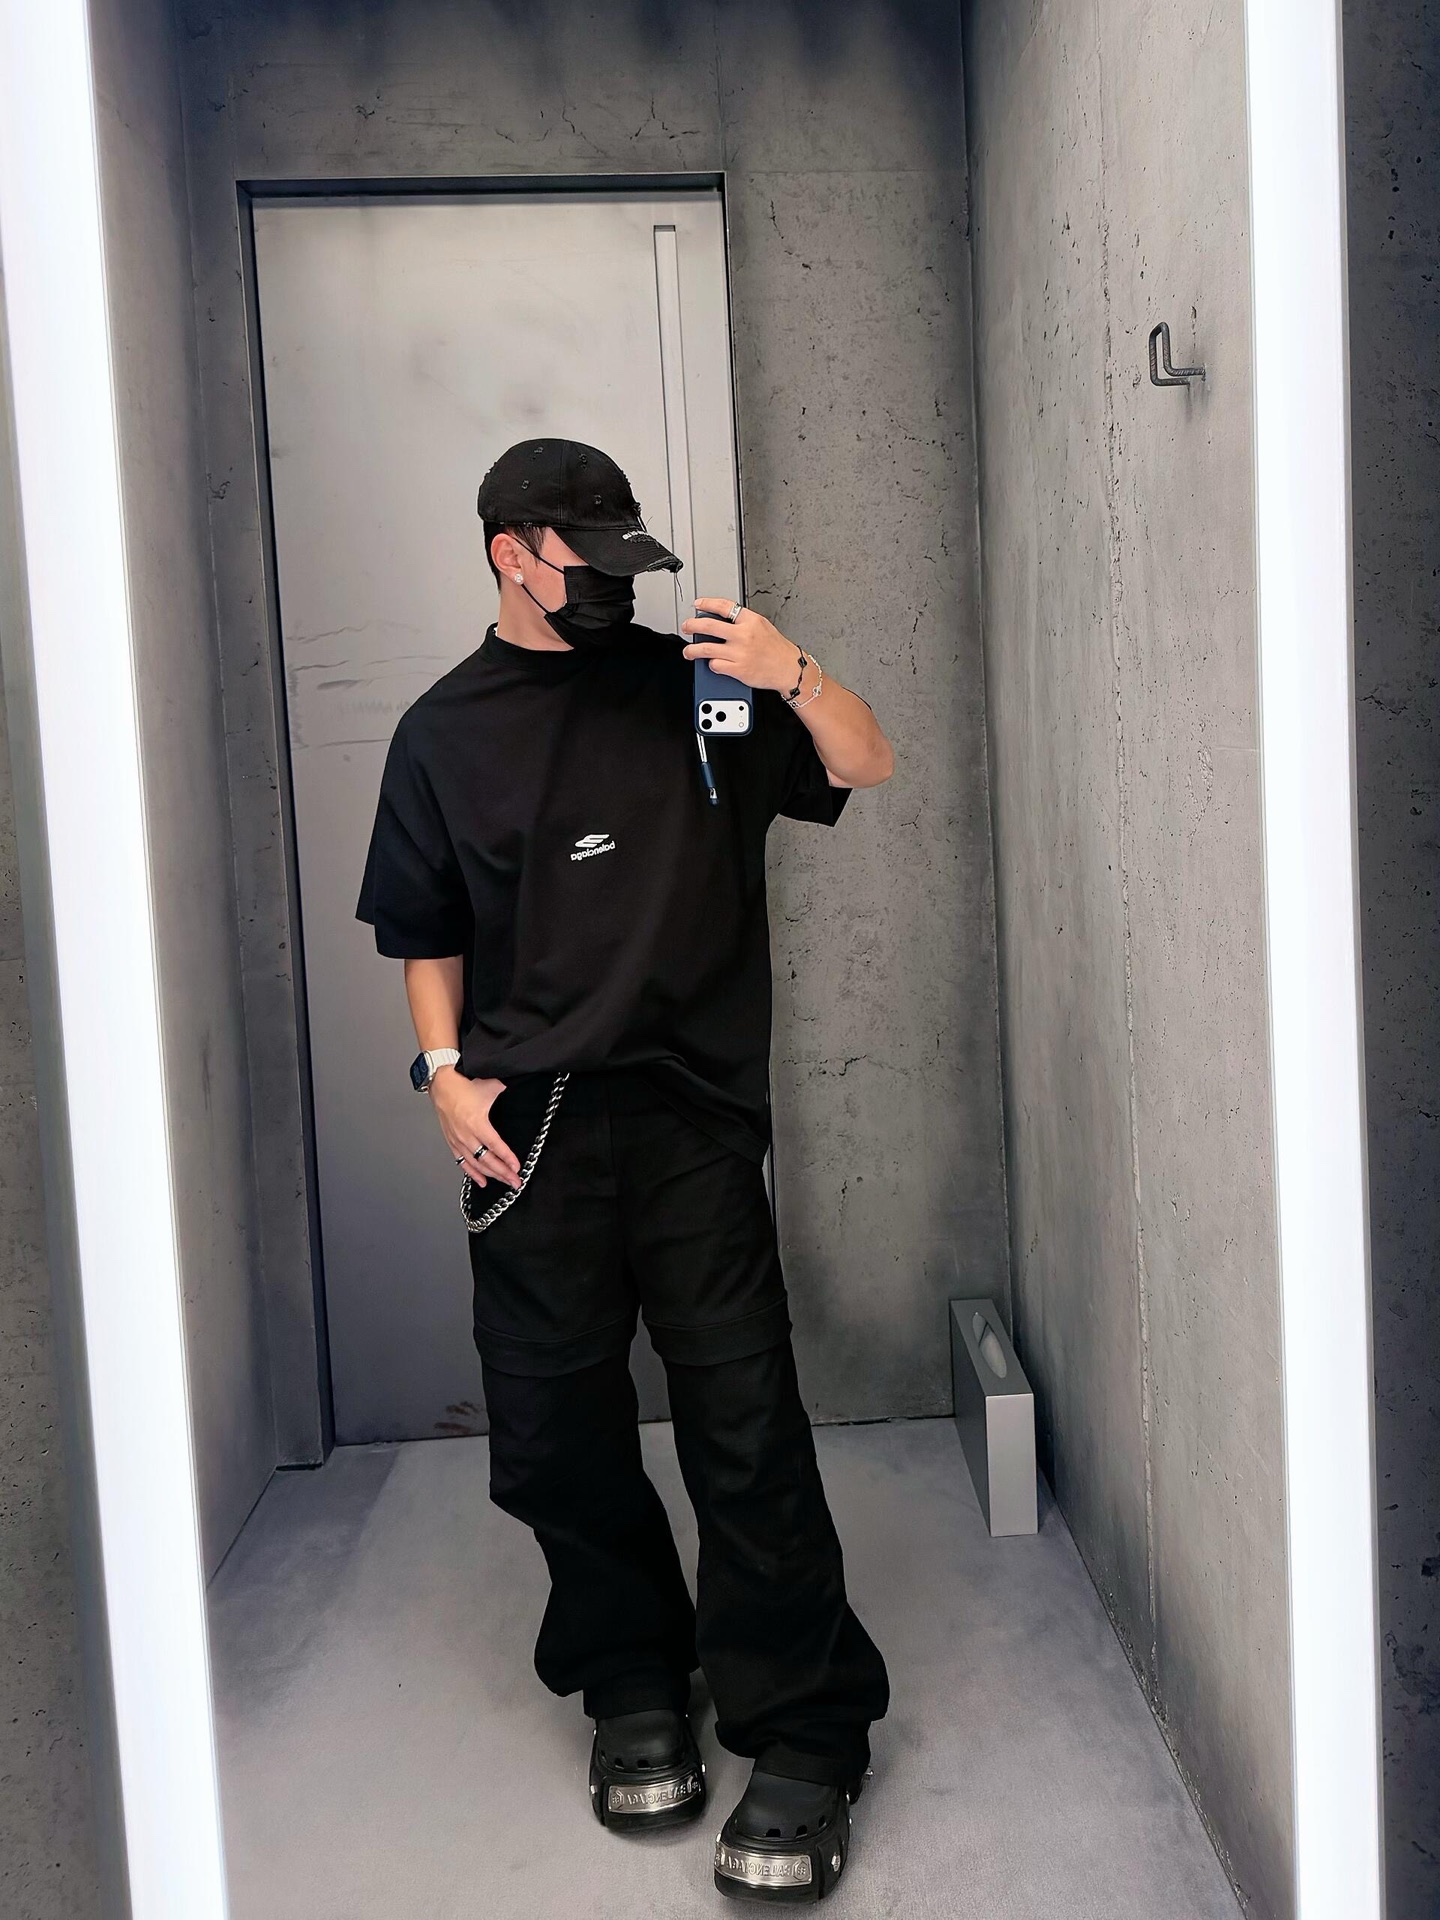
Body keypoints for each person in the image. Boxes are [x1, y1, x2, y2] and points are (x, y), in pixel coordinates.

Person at [357, 437, 894, 1903]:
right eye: (583, 561)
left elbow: (865, 762)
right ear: (510, 554)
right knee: (552, 1435)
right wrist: (441, 1072)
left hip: (687, 1118)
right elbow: (422, 928)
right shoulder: (441, 733)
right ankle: (633, 1674)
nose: (612, 587)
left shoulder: (702, 687)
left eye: (624, 562)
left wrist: (792, 670)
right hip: (523, 1131)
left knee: (743, 1423)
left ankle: (806, 1728)